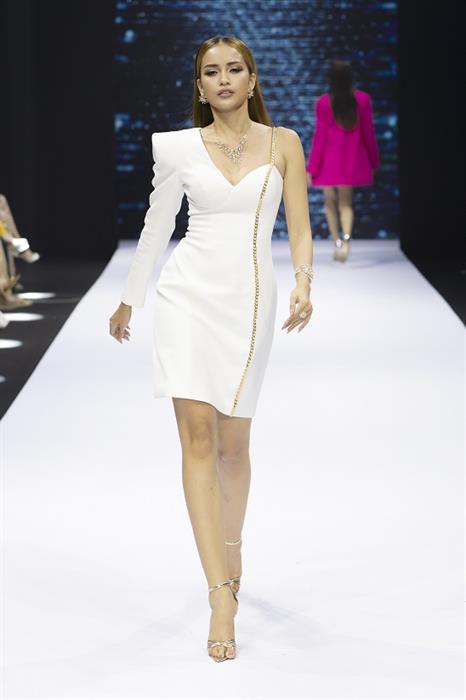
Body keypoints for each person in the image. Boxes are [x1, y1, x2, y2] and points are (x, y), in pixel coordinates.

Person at [109, 35, 314, 662]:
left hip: (249, 304)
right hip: (186, 299)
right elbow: (155, 226)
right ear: (199, 86)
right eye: (211, 72)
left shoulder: (282, 144)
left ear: (252, 80)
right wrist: (130, 299)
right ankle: (220, 594)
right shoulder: (175, 147)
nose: (223, 79)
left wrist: (305, 282)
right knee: (197, 438)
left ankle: (232, 547)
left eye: (234, 69)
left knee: (234, 446)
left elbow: (300, 225)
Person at [306, 60, 379, 262]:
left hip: (328, 160)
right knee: (346, 202)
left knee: (330, 201)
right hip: (351, 158)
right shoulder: (362, 100)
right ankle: (345, 242)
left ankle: (337, 242)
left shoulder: (324, 102)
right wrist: (373, 161)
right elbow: (368, 133)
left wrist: (312, 167)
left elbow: (320, 137)